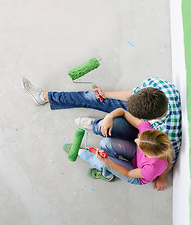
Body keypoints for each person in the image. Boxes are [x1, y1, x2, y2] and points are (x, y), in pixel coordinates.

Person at [22, 77, 182, 190]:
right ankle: (45, 97)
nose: (136, 140)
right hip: (140, 129)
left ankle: (100, 167)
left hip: (137, 166)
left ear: (150, 120)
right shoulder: (156, 87)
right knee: (105, 136)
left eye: (138, 140)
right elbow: (128, 104)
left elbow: (131, 172)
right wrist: (107, 99)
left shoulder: (166, 136)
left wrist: (161, 176)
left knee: (102, 159)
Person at [63, 108, 173, 185]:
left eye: (138, 142)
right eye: (139, 137)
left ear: (147, 154)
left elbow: (128, 173)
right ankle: (106, 167)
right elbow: (123, 112)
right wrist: (109, 117)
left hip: (135, 172)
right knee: (105, 143)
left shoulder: (152, 168)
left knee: (101, 161)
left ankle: (104, 173)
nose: (135, 139)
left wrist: (106, 161)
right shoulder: (149, 133)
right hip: (135, 155)